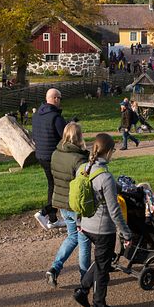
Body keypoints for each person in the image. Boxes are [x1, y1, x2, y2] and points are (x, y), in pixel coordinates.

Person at [72, 133, 132, 307]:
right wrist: (126, 233)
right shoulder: (106, 177)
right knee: (103, 269)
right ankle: (99, 303)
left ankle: (82, 291)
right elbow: (114, 212)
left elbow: (79, 198)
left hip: (85, 225)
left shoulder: (83, 168)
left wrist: (78, 222)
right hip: (103, 230)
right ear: (108, 152)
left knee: (100, 261)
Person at [46, 122, 92, 288]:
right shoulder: (79, 159)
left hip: (61, 203)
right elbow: (83, 185)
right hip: (75, 206)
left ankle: (54, 268)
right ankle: (85, 278)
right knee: (84, 241)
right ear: (80, 137)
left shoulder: (55, 153)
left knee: (72, 237)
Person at [32, 88, 68, 229]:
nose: (60, 101)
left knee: (52, 185)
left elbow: (36, 134)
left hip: (41, 155)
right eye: (59, 98)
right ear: (55, 99)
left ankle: (53, 219)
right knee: (59, 186)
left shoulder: (37, 115)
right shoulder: (55, 117)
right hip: (53, 156)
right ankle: (44, 212)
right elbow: (65, 137)